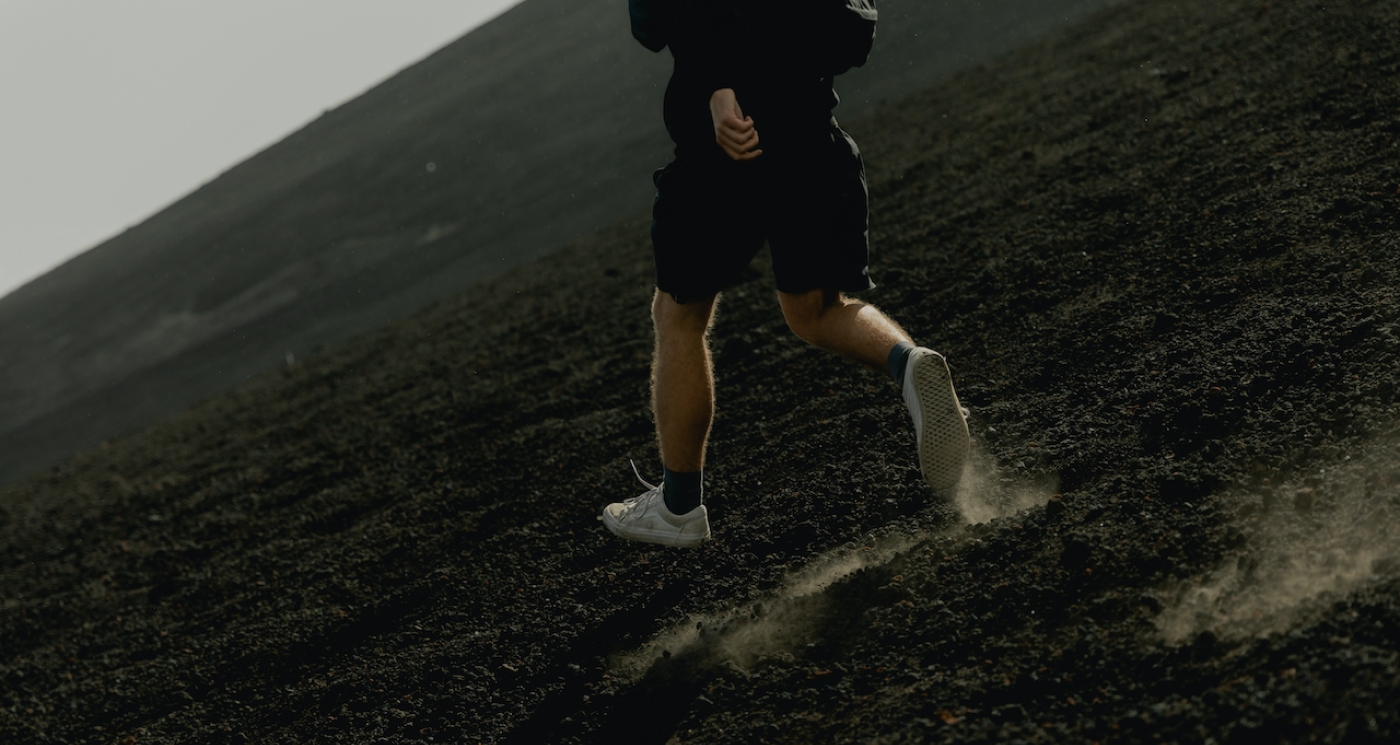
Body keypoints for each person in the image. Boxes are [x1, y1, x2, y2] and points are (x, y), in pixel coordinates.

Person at [601, 0, 970, 547]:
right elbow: (850, 29)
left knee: (679, 313)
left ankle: (679, 507)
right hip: (812, 135)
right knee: (815, 309)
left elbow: (663, 14)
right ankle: (909, 362)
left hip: (725, 147)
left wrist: (719, 85)